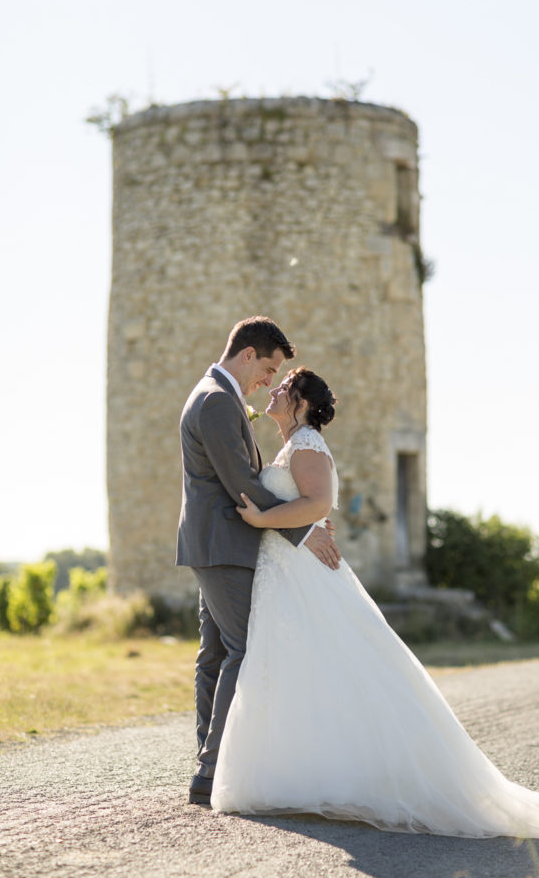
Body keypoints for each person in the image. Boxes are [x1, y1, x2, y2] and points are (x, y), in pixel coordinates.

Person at [210, 367, 539, 839]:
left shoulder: (309, 444)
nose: (272, 391)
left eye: (283, 387)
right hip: (285, 572)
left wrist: (262, 520)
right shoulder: (292, 444)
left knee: (336, 663)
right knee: (299, 667)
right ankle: (299, 773)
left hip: (302, 574)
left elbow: (318, 505)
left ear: (301, 404)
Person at [176, 318, 342, 806]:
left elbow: (252, 479)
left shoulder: (218, 397)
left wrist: (300, 517)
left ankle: (211, 760)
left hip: (220, 543)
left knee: (215, 654)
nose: (270, 380)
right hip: (225, 544)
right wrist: (303, 528)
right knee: (243, 649)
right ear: (247, 354)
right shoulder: (215, 401)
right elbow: (240, 482)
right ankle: (212, 770)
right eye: (270, 368)